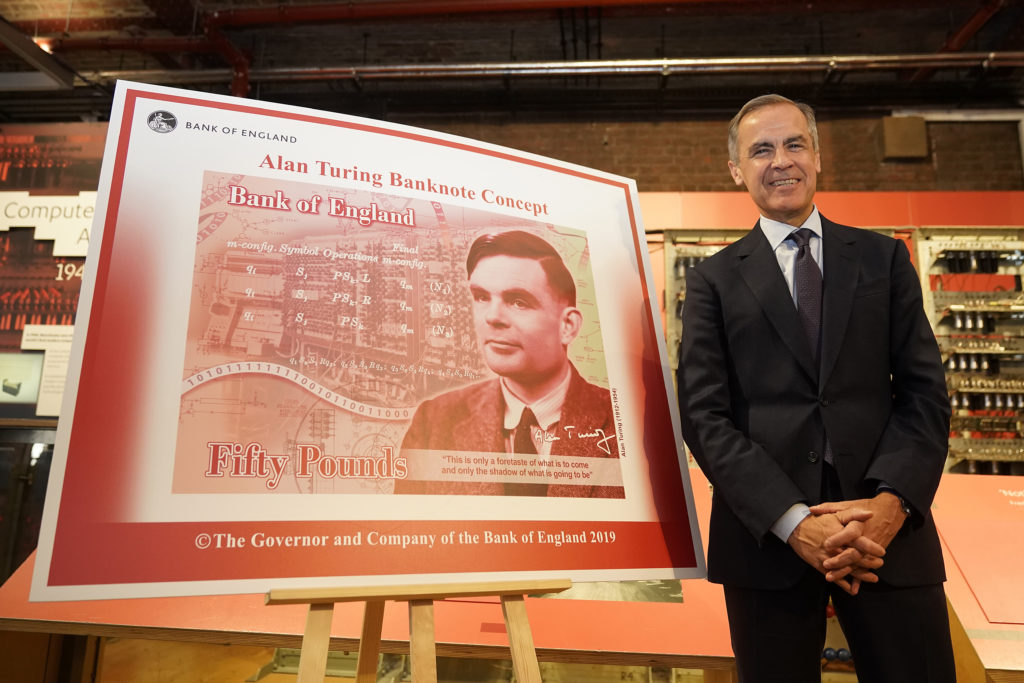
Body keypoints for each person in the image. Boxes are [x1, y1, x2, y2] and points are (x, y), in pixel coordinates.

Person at [676, 94, 955, 682]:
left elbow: (924, 393)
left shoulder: (883, 259)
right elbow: (704, 416)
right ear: (736, 170)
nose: (781, 161)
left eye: (794, 144)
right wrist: (793, 522)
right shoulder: (712, 282)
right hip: (768, 542)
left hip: (885, 534)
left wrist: (890, 506)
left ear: (818, 156)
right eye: (761, 150)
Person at [399, 230, 622, 497]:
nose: (492, 317)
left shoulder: (624, 425)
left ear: (567, 325)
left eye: (519, 302)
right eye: (482, 297)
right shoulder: (433, 422)